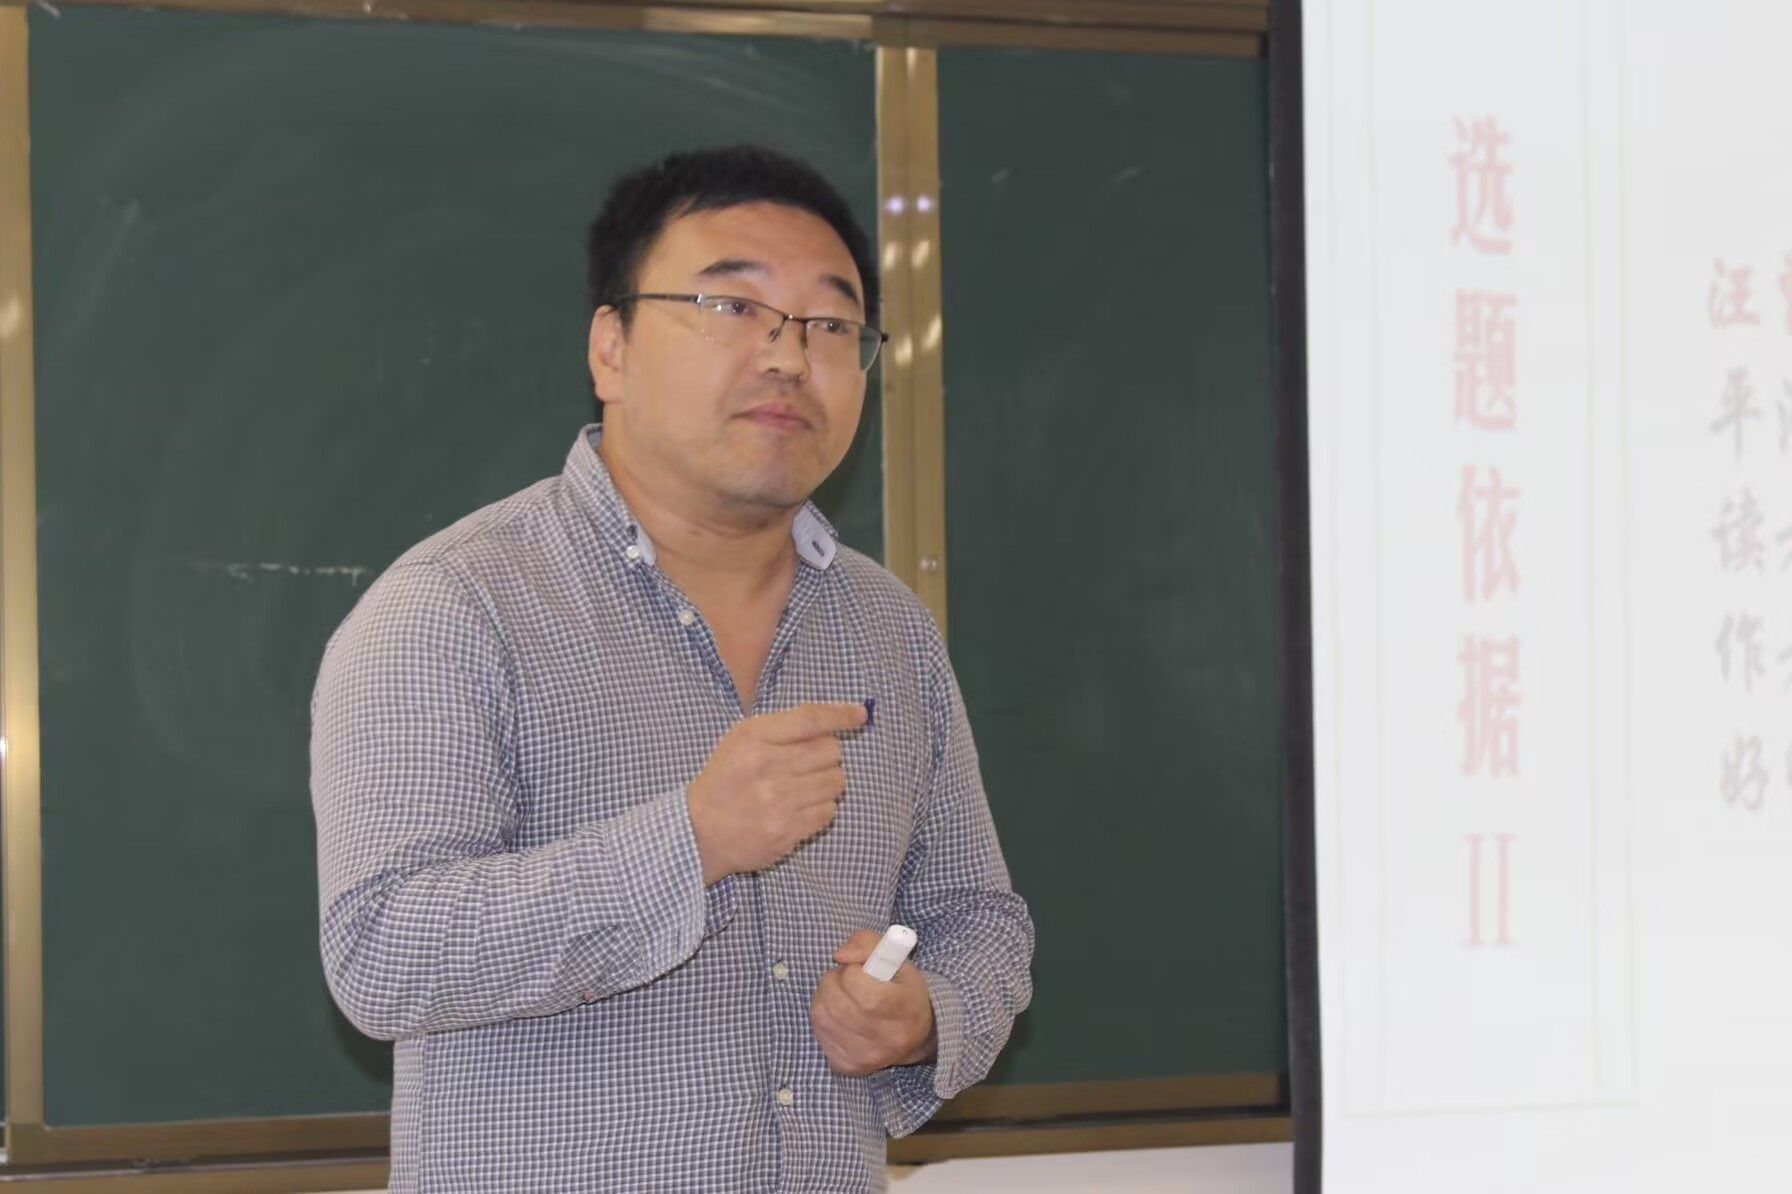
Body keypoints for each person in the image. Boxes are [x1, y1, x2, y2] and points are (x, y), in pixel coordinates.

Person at [308, 144, 1034, 1192]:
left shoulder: (887, 628)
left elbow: (980, 919)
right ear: (611, 350)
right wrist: (690, 842)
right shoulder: (455, 608)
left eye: (831, 326)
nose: (788, 356)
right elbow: (382, 953)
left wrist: (928, 1016)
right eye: (732, 307)